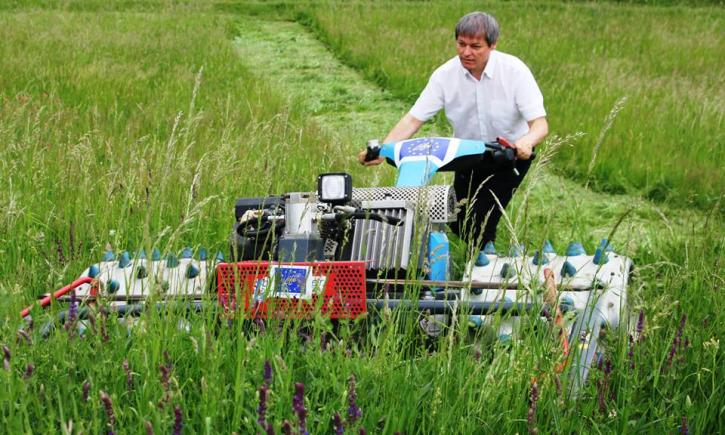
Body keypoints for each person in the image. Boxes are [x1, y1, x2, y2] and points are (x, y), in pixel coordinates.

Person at [358, 11, 548, 247]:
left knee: (481, 218)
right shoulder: (445, 75)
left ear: (493, 45)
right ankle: (479, 260)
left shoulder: (515, 72)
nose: (466, 52)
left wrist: (527, 142)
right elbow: (413, 120)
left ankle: (480, 270)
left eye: (475, 46)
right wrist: (383, 150)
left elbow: (540, 125)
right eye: (461, 44)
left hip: (508, 155)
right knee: (457, 218)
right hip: (466, 154)